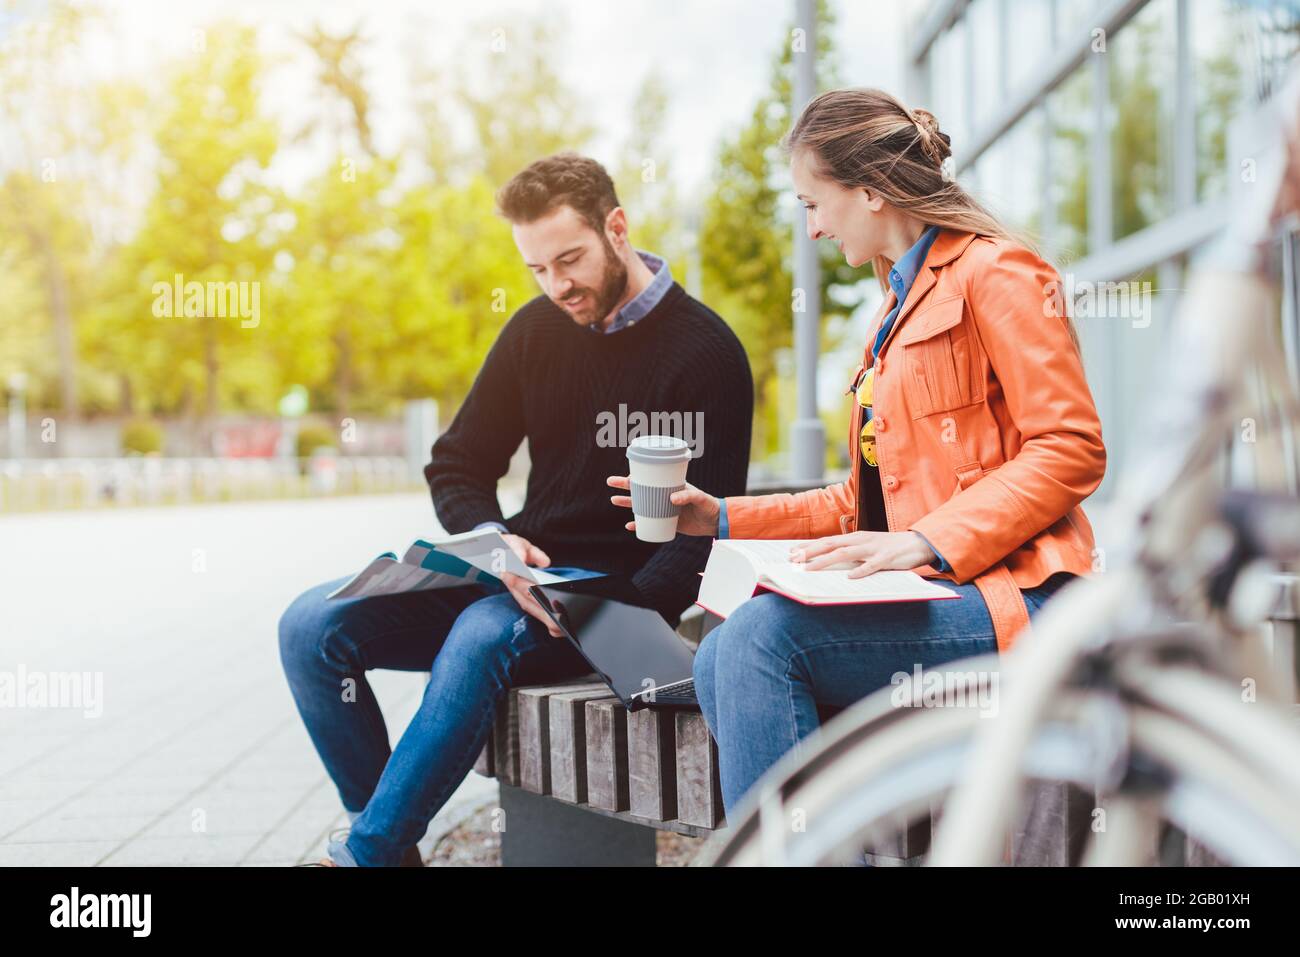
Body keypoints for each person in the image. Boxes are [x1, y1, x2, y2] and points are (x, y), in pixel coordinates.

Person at [609, 88, 1106, 819]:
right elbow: (859, 504)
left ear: (870, 192)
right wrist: (718, 518)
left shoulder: (999, 273)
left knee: (757, 645)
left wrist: (926, 539)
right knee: (720, 651)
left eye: (813, 203)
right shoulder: (893, 314)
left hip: (1021, 598)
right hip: (942, 594)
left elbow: (1071, 447)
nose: (810, 229)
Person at [280, 153, 753, 865]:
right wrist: (492, 540)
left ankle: (368, 853)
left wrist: (602, 616)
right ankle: (389, 840)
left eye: (570, 260)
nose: (557, 285)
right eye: (537, 268)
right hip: (515, 575)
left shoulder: (705, 351)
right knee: (310, 625)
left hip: (616, 605)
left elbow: (700, 541)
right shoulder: (535, 332)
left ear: (616, 227)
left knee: (480, 633)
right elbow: (457, 462)